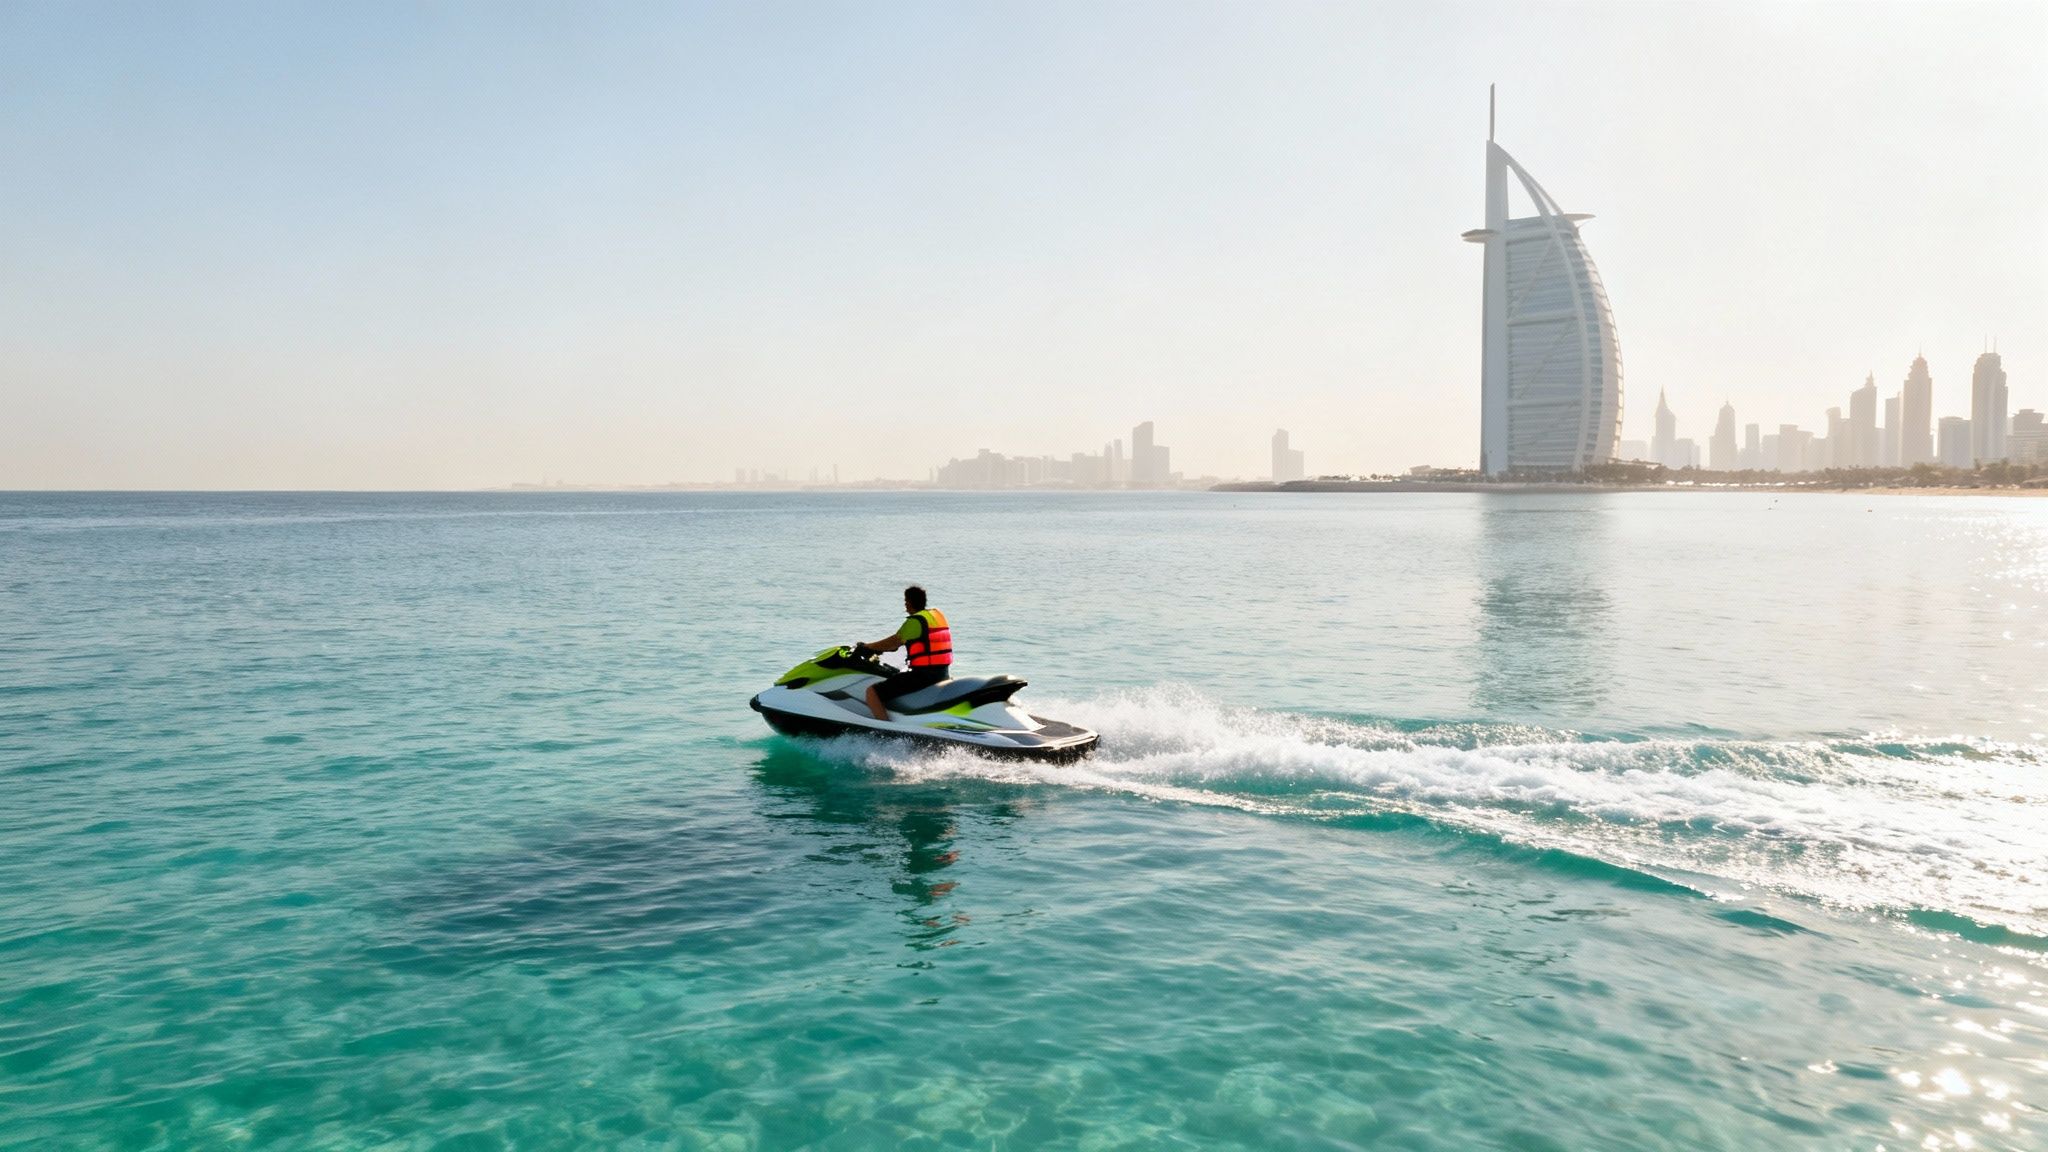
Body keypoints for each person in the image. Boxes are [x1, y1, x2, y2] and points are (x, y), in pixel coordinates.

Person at [853, 585, 952, 720]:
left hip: (923, 676)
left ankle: (884, 730)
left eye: (905, 602)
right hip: (942, 673)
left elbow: (893, 642)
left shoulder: (915, 621)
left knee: (872, 692)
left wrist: (867, 647)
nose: (905, 606)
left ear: (910, 602)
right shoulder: (935, 616)